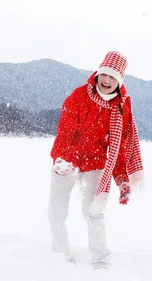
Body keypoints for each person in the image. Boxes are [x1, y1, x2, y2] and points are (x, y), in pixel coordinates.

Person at [48, 51, 144, 269]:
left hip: (95, 163)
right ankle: (59, 257)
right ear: (98, 74)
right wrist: (64, 159)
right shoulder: (79, 96)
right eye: (104, 75)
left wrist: (121, 177)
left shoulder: (121, 106)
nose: (107, 81)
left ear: (119, 81)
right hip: (66, 161)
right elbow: (65, 130)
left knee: (94, 212)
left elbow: (119, 145)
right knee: (57, 210)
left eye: (112, 77)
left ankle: (101, 260)